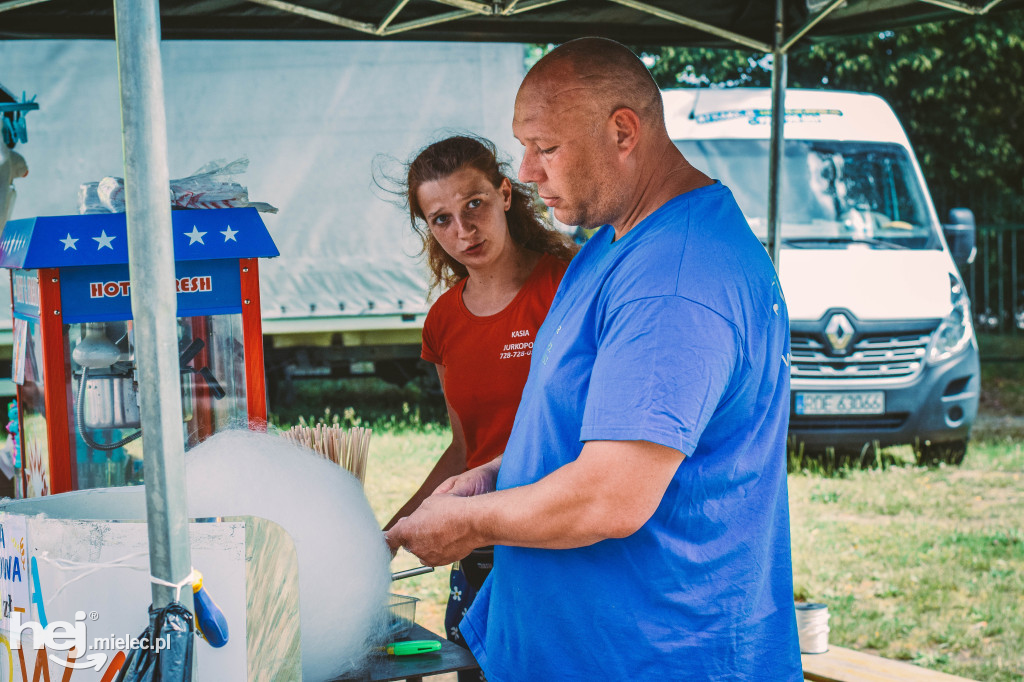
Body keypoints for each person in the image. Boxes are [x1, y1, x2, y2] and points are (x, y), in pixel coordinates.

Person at [386, 39, 803, 681]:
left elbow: (611, 496)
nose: (525, 171)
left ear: (622, 131)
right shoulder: (614, 245)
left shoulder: (676, 277)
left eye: (545, 147)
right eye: (522, 146)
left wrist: (468, 523)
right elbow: (595, 425)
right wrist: (497, 473)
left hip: (654, 658)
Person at [383, 135, 575, 675]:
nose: (463, 231)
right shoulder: (443, 319)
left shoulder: (565, 285)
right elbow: (465, 450)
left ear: (506, 194)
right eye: (441, 219)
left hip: (557, 539)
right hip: (478, 551)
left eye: (474, 205)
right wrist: (394, 532)